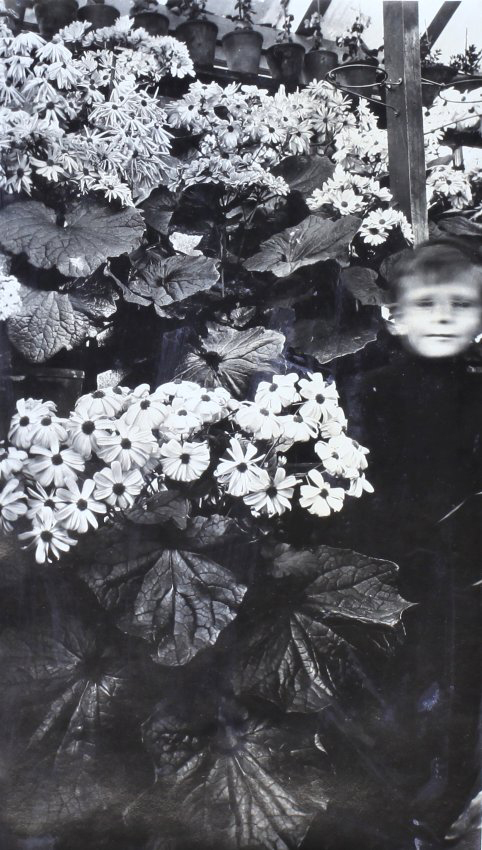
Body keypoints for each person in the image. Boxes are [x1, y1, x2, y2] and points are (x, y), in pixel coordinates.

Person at [304, 240, 482, 849]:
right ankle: (392, 805)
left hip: (466, 573)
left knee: (462, 692)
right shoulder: (371, 387)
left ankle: (448, 802)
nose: (442, 317)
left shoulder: (476, 390)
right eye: (426, 303)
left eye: (460, 304)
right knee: (396, 696)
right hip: (388, 569)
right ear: (394, 315)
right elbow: (356, 483)